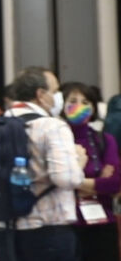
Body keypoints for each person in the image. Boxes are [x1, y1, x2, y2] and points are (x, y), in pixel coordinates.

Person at [0, 68, 86, 261]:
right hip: (45, 230)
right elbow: (66, 178)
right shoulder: (52, 126)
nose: (58, 97)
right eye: (55, 91)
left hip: (1, 228)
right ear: (41, 94)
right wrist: (79, 161)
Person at [58, 82, 120, 260]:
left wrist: (73, 182)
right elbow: (55, 181)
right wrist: (96, 184)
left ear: (93, 108)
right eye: (73, 101)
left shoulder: (104, 139)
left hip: (102, 222)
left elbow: (114, 183)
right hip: (67, 225)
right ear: (62, 106)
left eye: (85, 102)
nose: (79, 106)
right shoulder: (57, 139)